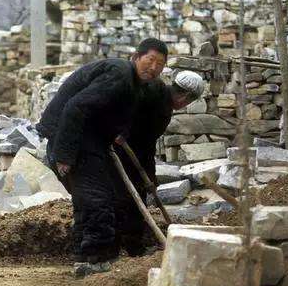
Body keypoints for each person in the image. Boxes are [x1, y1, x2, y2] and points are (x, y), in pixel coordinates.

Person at [37, 38, 168, 273]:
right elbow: (76, 107)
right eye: (150, 60)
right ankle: (93, 259)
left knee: (94, 194)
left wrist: (118, 132)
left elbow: (107, 111)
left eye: (160, 64)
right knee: (97, 196)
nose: (154, 68)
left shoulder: (134, 85)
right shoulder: (119, 75)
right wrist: (64, 155)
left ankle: (88, 255)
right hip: (70, 134)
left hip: (87, 136)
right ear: (136, 57)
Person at [113, 71, 206, 257]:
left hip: (133, 152)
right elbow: (129, 113)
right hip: (119, 149)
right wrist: (121, 132)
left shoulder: (162, 101)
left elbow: (148, 142)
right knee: (126, 199)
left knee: (134, 195)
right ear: (185, 97)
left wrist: (150, 175)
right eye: (188, 102)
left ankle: (130, 244)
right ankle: (128, 247)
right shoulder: (155, 95)